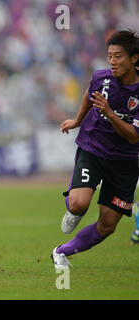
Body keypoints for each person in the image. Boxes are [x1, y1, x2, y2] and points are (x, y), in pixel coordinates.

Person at [51, 30, 139, 269]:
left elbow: (133, 136)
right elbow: (89, 96)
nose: (112, 61)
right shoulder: (102, 78)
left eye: (118, 56)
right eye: (109, 56)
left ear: (134, 58)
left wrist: (110, 114)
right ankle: (74, 207)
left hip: (126, 161)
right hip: (94, 148)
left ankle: (60, 252)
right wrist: (78, 120)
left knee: (108, 225)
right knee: (79, 204)